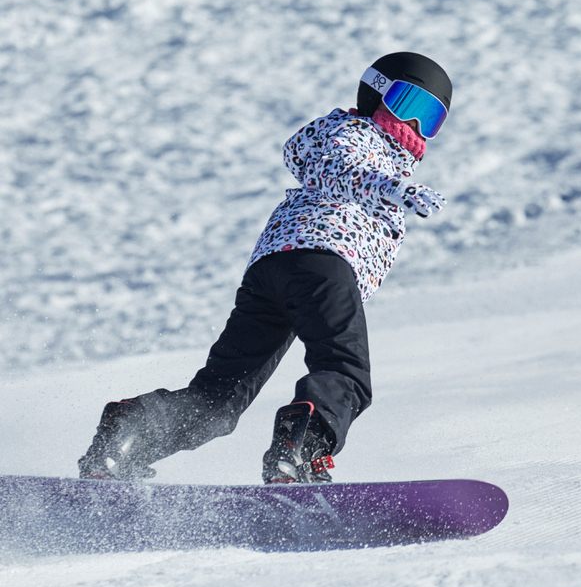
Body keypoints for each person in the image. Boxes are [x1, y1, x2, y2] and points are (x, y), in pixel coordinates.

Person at [78, 51, 452, 484]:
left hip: (273, 273)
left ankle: (127, 434)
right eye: (409, 106)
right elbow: (340, 167)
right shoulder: (353, 135)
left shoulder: (367, 149)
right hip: (323, 264)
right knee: (344, 373)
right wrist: (391, 188)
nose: (415, 126)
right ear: (377, 93)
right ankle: (298, 454)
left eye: (431, 118)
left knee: (218, 400)